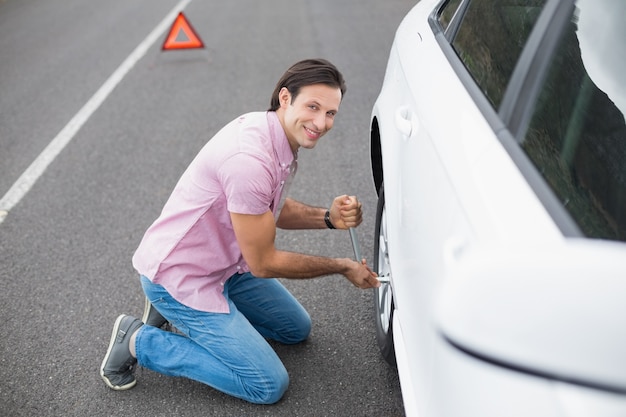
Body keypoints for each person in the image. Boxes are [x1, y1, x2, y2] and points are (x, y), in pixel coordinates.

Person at [99, 58, 379, 405]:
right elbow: (263, 262)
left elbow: (266, 208)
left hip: (227, 267)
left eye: (331, 113)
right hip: (181, 276)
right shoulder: (249, 159)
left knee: (295, 330)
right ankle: (139, 340)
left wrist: (329, 218)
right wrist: (341, 267)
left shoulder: (275, 135)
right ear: (285, 98)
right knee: (266, 384)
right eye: (314, 107)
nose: (321, 123)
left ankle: (183, 318)